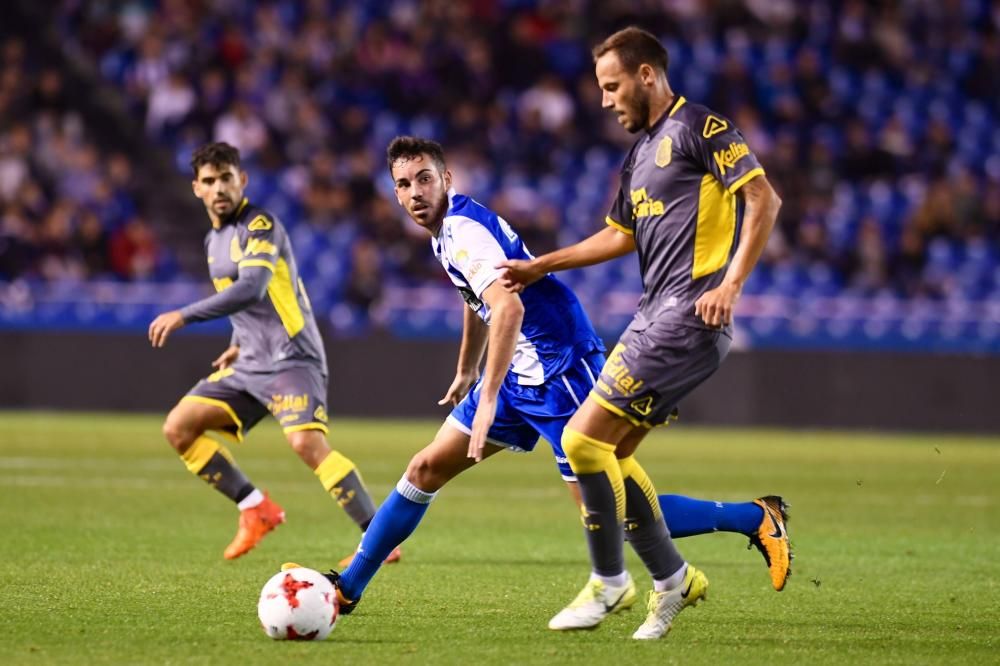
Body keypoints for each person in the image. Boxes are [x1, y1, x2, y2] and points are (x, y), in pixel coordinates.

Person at [284, 135, 789, 622]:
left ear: (446, 179)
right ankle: (347, 589)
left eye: (424, 179)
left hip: (556, 368)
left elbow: (507, 309)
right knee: (424, 470)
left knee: (613, 515)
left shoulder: (462, 231)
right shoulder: (447, 231)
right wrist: (467, 369)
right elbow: (478, 297)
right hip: (518, 372)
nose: (415, 193)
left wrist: (486, 398)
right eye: (404, 184)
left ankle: (754, 518)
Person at [498, 27, 785, 639]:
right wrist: (540, 264)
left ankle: (609, 583)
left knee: (580, 444)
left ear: (647, 75)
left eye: (612, 85)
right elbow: (618, 236)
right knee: (615, 466)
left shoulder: (700, 128)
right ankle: (676, 579)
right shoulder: (639, 155)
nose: (605, 100)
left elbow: (763, 200)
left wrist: (731, 284)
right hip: (652, 314)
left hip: (689, 316)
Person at [148, 142, 398, 565]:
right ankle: (255, 508)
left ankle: (379, 540)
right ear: (196, 189)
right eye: (209, 181)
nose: (219, 187)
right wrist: (237, 343)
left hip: (292, 358)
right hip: (250, 363)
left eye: (226, 177)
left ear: (241, 180)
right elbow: (243, 304)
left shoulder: (260, 224)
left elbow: (253, 287)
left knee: (305, 443)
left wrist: (184, 316)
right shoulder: (214, 240)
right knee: (179, 428)